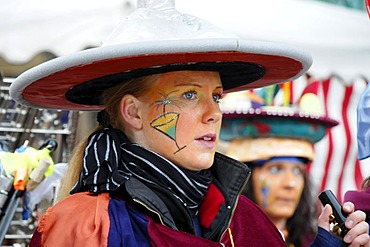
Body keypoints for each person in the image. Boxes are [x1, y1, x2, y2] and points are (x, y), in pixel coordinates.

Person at [9, 0, 369, 246]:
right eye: (188, 95)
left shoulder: (240, 218)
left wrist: (328, 240)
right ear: (133, 113)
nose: (213, 112)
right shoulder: (86, 222)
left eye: (216, 96)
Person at [218, 88, 369, 246]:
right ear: (246, 176)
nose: (290, 183)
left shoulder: (316, 238)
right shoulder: (223, 239)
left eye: (298, 171)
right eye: (275, 169)